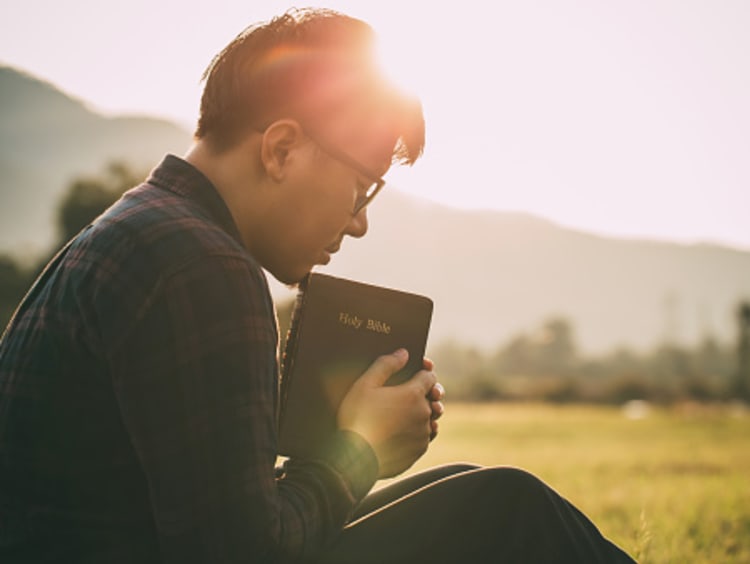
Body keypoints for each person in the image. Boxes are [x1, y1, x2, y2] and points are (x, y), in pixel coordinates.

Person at [0, 8, 635, 564]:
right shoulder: (203, 265)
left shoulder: (144, 228)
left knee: (470, 482)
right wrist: (357, 448)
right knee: (505, 507)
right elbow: (244, 553)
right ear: (281, 149)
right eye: (363, 190)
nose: (359, 223)